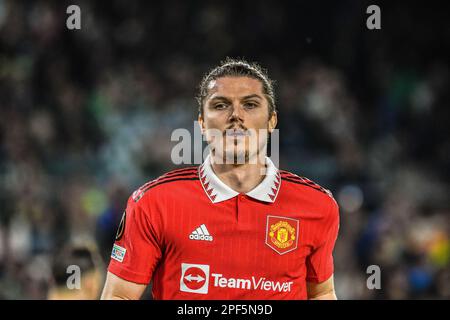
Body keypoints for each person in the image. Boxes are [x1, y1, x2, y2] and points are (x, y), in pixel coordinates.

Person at [101, 58, 340, 300]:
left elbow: (321, 293)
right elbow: (120, 296)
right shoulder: (154, 203)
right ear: (202, 124)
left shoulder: (317, 206)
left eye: (250, 104)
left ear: (271, 121)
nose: (236, 115)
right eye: (221, 105)